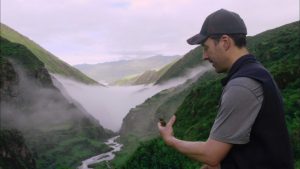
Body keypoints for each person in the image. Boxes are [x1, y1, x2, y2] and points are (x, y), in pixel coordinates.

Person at [158, 9, 294, 169]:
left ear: (225, 42)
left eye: (206, 47)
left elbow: (211, 154)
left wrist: (170, 140)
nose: (204, 56)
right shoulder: (256, 72)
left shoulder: (242, 85)